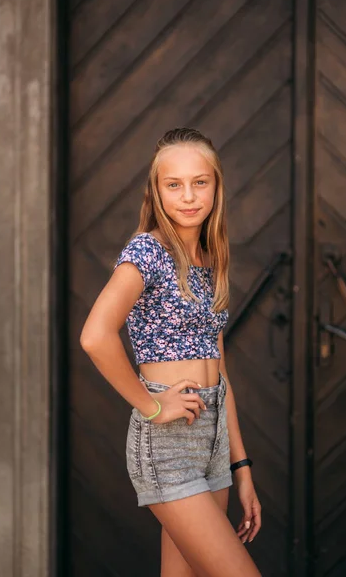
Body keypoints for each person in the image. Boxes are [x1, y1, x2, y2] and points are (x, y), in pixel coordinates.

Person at [80, 127, 262, 577]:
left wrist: (241, 466)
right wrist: (152, 406)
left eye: (200, 182)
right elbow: (95, 335)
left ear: (216, 186)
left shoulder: (210, 258)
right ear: (156, 191)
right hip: (168, 446)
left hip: (213, 439)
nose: (188, 196)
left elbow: (221, 373)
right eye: (173, 184)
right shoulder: (148, 251)